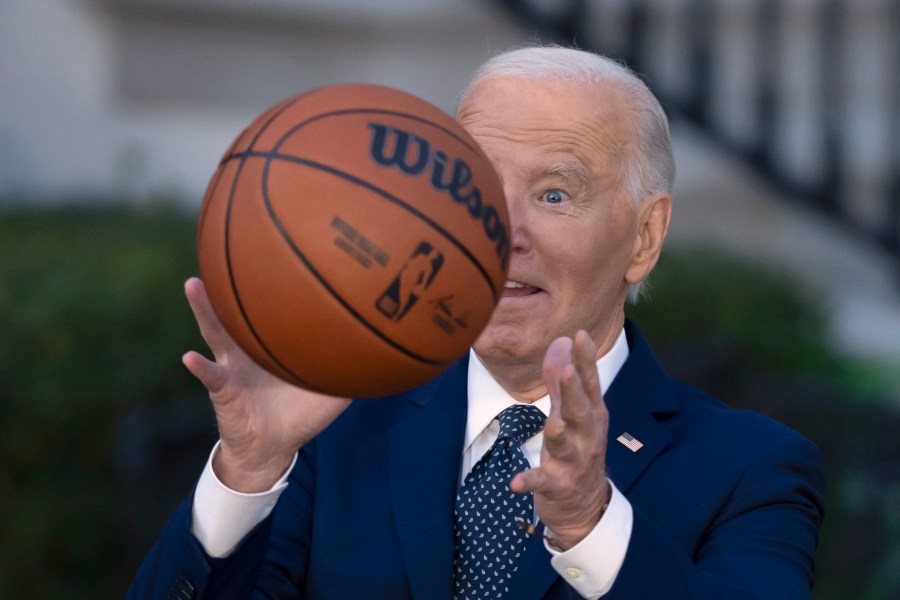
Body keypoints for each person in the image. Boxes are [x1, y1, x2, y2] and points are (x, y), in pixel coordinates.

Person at [128, 45, 825, 599]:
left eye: (555, 194)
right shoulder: (334, 429)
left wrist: (589, 527)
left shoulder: (750, 470)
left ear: (645, 237)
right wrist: (248, 475)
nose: (500, 234)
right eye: (479, 190)